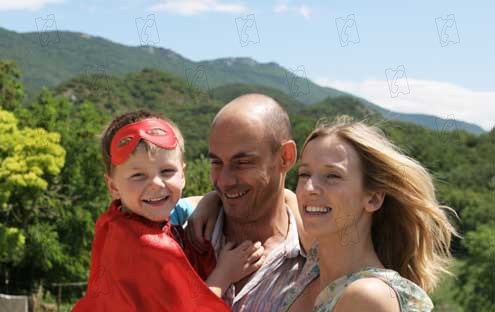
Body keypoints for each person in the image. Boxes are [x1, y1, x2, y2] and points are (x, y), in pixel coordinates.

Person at [73, 110, 264, 311]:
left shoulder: (124, 222)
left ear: (183, 174)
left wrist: (211, 199)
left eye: (167, 171)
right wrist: (224, 274)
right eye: (138, 175)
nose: (156, 184)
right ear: (113, 187)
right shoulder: (146, 246)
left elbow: (189, 204)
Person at [284, 117, 456, 311]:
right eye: (304, 174)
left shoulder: (368, 297)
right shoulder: (315, 264)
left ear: (373, 198)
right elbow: (285, 197)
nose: (309, 188)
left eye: (332, 176)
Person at [189, 94, 319, 312]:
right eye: (216, 162)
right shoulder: (181, 241)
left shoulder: (318, 263)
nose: (224, 181)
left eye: (243, 163)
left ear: (286, 157)